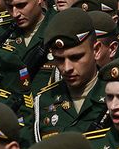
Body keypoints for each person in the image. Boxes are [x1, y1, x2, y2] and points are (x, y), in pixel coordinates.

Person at [32, 8, 107, 140]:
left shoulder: (115, 96)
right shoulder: (44, 100)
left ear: (96, 50)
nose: (67, 68)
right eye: (59, 59)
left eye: (76, 57)